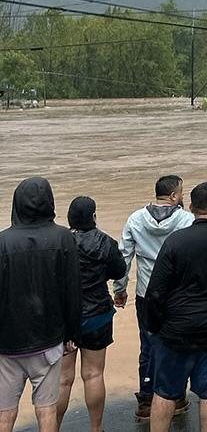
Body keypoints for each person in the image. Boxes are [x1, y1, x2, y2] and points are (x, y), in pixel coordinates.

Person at [145, 182, 207, 432]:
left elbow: (156, 291)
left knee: (165, 392)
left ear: (190, 207)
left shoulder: (176, 242)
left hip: (177, 331)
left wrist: (155, 326)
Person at [0, 177, 81, 432]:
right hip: (49, 337)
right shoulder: (62, 237)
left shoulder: (2, 241)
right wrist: (71, 334)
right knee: (46, 410)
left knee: (5, 412)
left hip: (7, 342)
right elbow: (72, 291)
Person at [114, 175, 194, 420]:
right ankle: (176, 396)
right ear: (173, 196)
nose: (183, 197)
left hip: (146, 294)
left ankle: (147, 400)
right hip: (177, 294)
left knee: (148, 345)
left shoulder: (136, 219)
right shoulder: (187, 220)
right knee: (178, 344)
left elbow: (123, 256)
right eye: (181, 193)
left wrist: (120, 288)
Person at [56, 196, 127, 432]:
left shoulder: (60, 241)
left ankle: (51, 427)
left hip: (65, 318)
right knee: (93, 374)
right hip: (97, 314)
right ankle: (96, 428)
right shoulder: (105, 242)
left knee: (64, 379)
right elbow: (119, 271)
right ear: (94, 217)